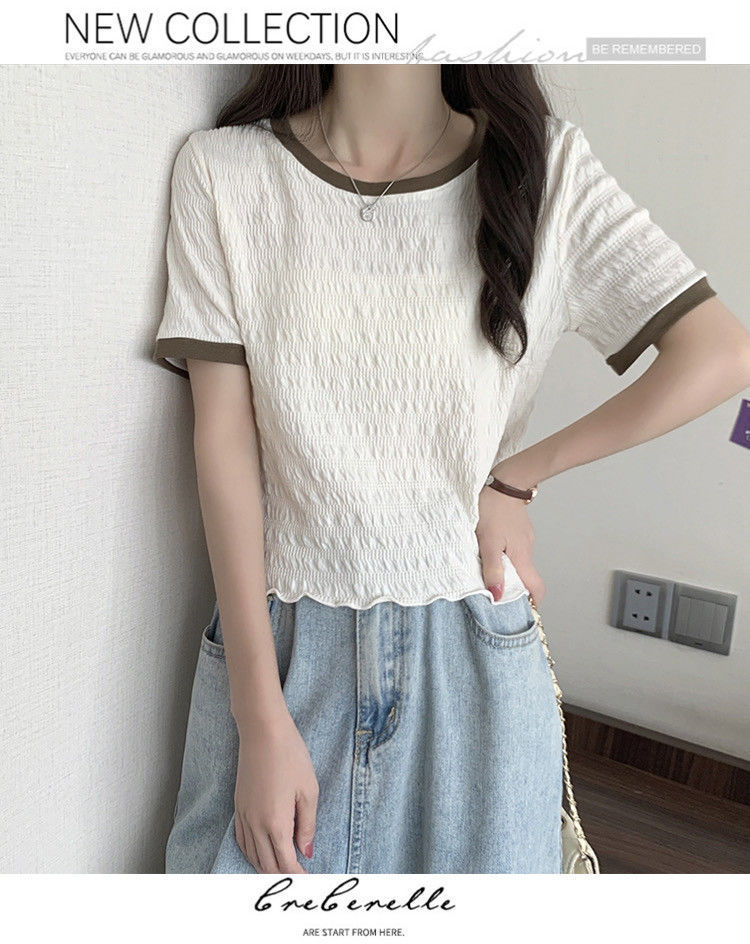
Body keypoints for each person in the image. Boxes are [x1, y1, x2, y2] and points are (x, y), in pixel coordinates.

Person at [152, 64, 750, 874]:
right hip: (287, 648)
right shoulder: (225, 171)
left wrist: (517, 478)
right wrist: (260, 719)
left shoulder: (547, 170)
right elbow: (222, 445)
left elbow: (719, 351)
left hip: (474, 657)